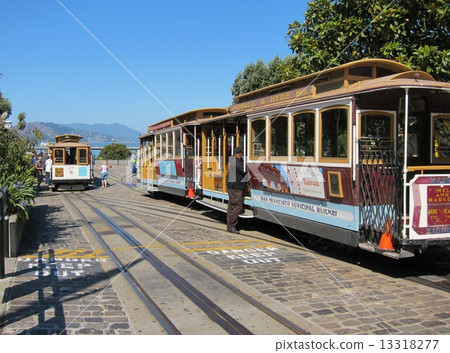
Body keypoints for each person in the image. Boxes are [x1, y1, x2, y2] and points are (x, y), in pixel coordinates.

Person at [226, 147, 249, 234]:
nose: (241, 155)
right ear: (238, 154)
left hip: (233, 187)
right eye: (241, 154)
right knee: (236, 206)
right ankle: (231, 226)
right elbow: (244, 171)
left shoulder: (233, 160)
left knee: (231, 206)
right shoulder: (237, 162)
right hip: (236, 188)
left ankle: (230, 225)